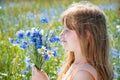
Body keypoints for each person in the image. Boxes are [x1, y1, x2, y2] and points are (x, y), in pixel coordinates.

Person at [32, 1, 113, 80]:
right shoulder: (75, 65)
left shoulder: (83, 74)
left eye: (67, 30)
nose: (61, 34)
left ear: (86, 35)